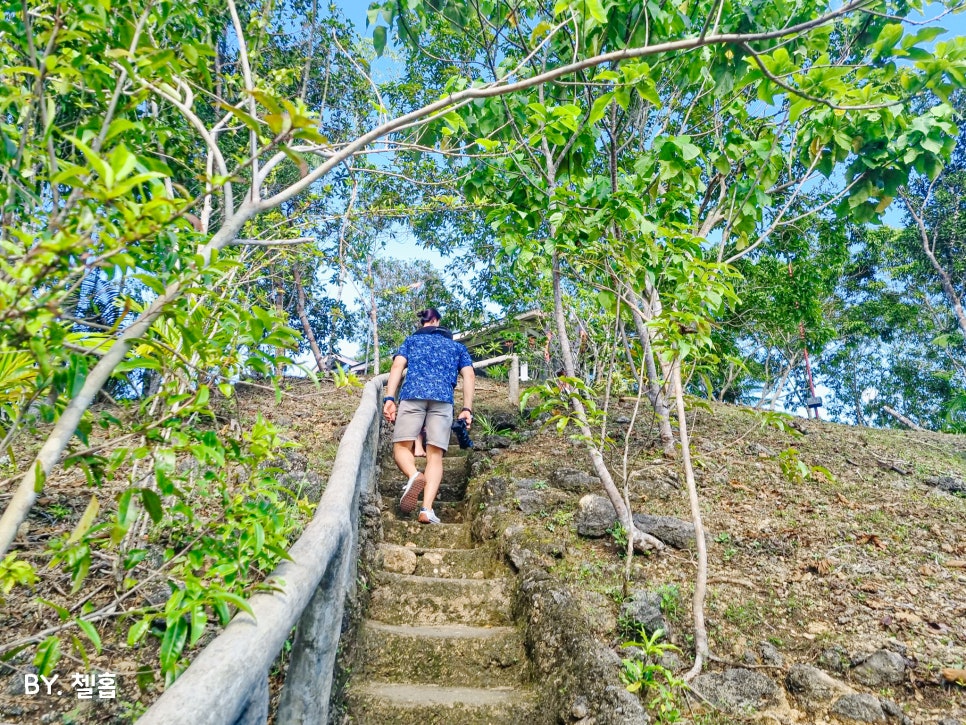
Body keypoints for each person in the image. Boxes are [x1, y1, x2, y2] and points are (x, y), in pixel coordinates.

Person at [382, 308, 475, 524]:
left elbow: (397, 366)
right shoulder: (456, 347)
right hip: (443, 399)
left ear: (424, 323)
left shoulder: (411, 342)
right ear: (438, 321)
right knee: (435, 455)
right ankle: (426, 509)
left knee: (401, 447)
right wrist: (467, 408)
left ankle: (414, 475)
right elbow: (469, 374)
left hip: (412, 394)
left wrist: (389, 398)